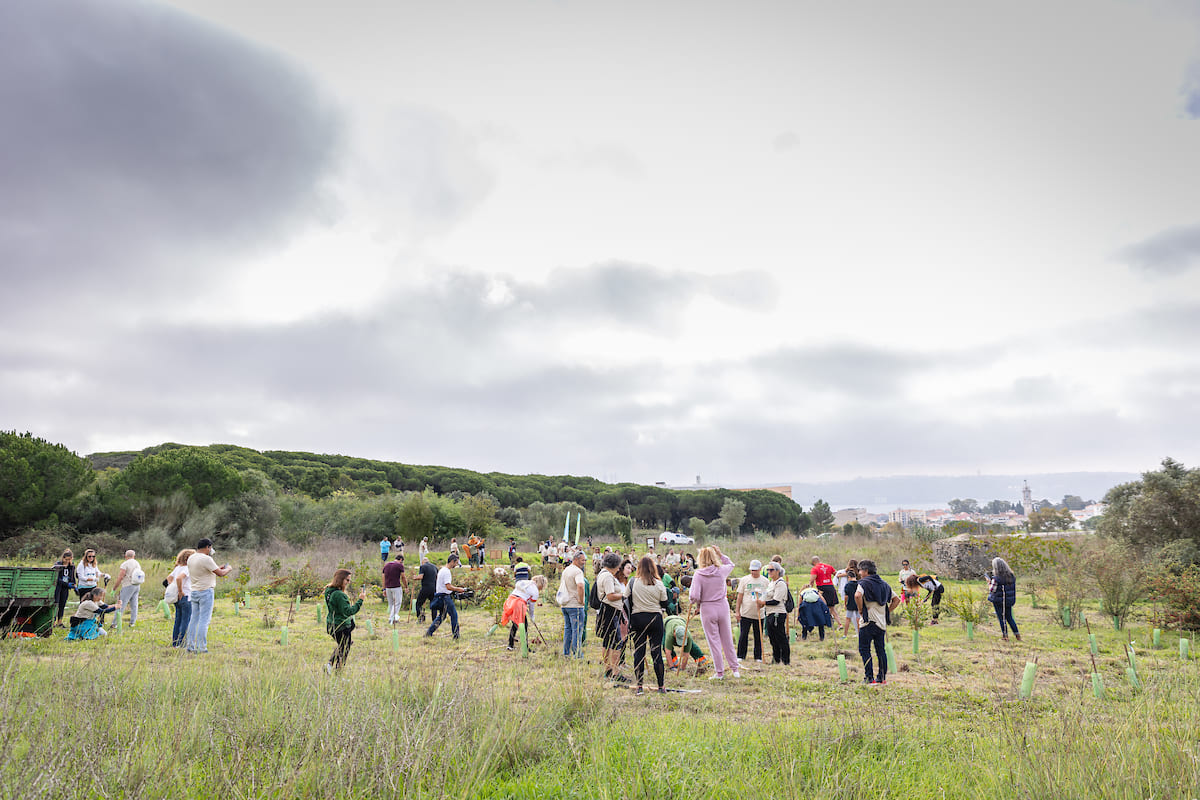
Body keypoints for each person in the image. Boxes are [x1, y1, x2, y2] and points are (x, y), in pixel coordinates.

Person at [688, 545, 739, 680]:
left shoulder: (699, 574)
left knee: (714, 641)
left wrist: (694, 602)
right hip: (722, 606)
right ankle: (735, 669)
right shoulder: (721, 571)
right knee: (727, 639)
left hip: (707, 608)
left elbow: (694, 596)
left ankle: (720, 672)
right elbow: (731, 564)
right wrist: (721, 554)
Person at [626, 555, 668, 695]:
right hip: (655, 618)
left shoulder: (633, 582)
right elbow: (664, 603)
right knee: (656, 653)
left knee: (639, 652)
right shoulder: (659, 583)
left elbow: (626, 599)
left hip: (637, 618)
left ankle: (639, 686)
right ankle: (661, 686)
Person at [855, 559, 902, 685]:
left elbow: (858, 595)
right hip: (881, 623)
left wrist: (860, 610)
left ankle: (869, 678)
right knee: (880, 650)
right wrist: (886, 611)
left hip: (868, 621)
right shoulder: (884, 584)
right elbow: (896, 600)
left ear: (865, 571)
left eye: (860, 570)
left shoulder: (863, 583)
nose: (859, 573)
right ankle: (881, 677)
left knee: (864, 649)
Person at [185, 538, 233, 654]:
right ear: (208, 547)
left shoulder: (191, 557)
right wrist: (228, 569)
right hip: (206, 591)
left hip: (194, 591)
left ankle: (190, 646)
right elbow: (221, 574)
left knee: (194, 619)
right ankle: (202, 647)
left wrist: (218, 567)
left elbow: (207, 569)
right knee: (204, 621)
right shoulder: (206, 559)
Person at [324, 569, 366, 673]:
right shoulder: (340, 595)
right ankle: (339, 672)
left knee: (342, 646)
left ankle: (329, 665)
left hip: (331, 625)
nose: (348, 582)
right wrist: (360, 600)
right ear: (340, 579)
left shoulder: (328, 590)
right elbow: (349, 611)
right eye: (347, 580)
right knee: (344, 649)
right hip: (341, 626)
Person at [595, 552, 627, 682]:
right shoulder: (607, 577)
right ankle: (615, 671)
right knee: (616, 642)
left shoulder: (602, 574)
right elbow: (610, 595)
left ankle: (608, 669)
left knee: (607, 641)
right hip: (610, 610)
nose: (619, 569)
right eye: (618, 566)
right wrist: (624, 595)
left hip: (607, 610)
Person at [735, 560, 769, 663]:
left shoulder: (765, 581)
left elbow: (768, 596)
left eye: (755, 570)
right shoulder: (745, 580)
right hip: (746, 613)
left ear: (760, 569)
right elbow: (740, 596)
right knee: (743, 635)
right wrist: (737, 611)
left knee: (758, 635)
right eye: (752, 570)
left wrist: (763, 603)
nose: (753, 572)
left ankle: (758, 656)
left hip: (759, 614)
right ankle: (741, 655)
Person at [502, 575, 547, 651]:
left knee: (515, 623)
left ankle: (510, 644)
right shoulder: (535, 591)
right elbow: (531, 607)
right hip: (519, 604)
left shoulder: (525, 582)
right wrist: (532, 617)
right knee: (524, 625)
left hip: (510, 600)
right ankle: (524, 647)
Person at [426, 554, 465, 639]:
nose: (456, 565)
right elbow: (448, 586)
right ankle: (456, 635)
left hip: (439, 596)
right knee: (454, 615)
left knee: (442, 616)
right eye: (456, 563)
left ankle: (429, 632)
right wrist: (459, 589)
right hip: (445, 597)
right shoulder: (447, 572)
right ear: (452, 561)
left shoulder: (442, 570)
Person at [758, 562, 790, 664]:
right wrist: (761, 603)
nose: (769, 572)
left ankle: (785, 660)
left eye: (771, 570)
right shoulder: (771, 583)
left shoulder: (780, 583)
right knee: (772, 637)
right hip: (769, 613)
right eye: (768, 570)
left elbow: (776, 600)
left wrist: (763, 602)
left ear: (777, 571)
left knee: (780, 637)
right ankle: (776, 659)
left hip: (778, 613)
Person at [559, 550, 588, 658]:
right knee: (577, 630)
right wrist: (581, 600)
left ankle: (566, 653)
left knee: (568, 629)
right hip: (574, 604)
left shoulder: (566, 570)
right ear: (575, 559)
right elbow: (580, 585)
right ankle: (577, 654)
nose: (584, 562)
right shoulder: (577, 572)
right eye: (582, 560)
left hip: (565, 604)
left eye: (585, 560)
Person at [988, 557, 1020, 641]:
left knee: (1001, 619)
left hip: (999, 601)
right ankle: (1017, 635)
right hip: (1009, 600)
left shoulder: (996, 578)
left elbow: (992, 590)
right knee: (1009, 618)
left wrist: (989, 584)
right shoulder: (1011, 576)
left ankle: (1005, 636)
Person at [167, 549, 194, 648]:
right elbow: (179, 578)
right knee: (185, 620)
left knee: (178, 619)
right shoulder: (187, 568)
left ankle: (175, 642)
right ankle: (182, 642)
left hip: (176, 598)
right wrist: (180, 590)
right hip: (185, 595)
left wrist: (172, 587)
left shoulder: (178, 567)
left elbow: (169, 578)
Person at [111, 550, 145, 628]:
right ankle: (132, 622)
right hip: (136, 585)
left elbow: (121, 576)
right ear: (134, 556)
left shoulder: (125, 564)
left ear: (126, 556)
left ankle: (115, 623)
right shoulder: (137, 563)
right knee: (134, 604)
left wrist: (114, 588)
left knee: (121, 604)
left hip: (128, 585)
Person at [809, 556, 840, 628]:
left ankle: (826, 622)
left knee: (822, 606)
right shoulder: (829, 566)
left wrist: (810, 588)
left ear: (813, 562)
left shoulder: (815, 568)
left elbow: (812, 580)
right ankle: (839, 623)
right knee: (832, 608)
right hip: (831, 587)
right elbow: (836, 574)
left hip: (822, 589)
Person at [382, 552, 408, 626]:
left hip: (388, 587)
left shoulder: (386, 565)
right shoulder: (399, 565)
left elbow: (383, 577)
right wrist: (406, 586)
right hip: (396, 586)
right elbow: (403, 577)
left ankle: (394, 619)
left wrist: (384, 589)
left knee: (391, 604)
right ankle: (392, 619)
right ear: (400, 559)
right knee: (397, 603)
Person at [52, 549, 75, 627]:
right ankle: (53, 622)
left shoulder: (71, 566)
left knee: (62, 604)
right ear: (63, 558)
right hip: (58, 587)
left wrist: (74, 585)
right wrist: (66, 584)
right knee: (56, 603)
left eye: (69, 559)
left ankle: (60, 621)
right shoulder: (58, 565)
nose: (67, 561)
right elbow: (56, 578)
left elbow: (72, 576)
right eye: (66, 559)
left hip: (65, 588)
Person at [415, 556, 438, 623]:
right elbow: (437, 577)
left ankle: (420, 619)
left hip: (425, 588)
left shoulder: (423, 566)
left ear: (423, 562)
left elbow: (420, 577)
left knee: (418, 604)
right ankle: (434, 620)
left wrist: (415, 578)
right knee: (433, 604)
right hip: (434, 588)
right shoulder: (434, 567)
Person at [841, 559, 860, 637]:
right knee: (858, 619)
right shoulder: (859, 584)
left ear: (849, 577)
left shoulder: (848, 585)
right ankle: (859, 634)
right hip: (858, 603)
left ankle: (845, 635)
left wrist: (845, 604)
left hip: (850, 603)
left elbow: (846, 596)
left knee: (848, 619)